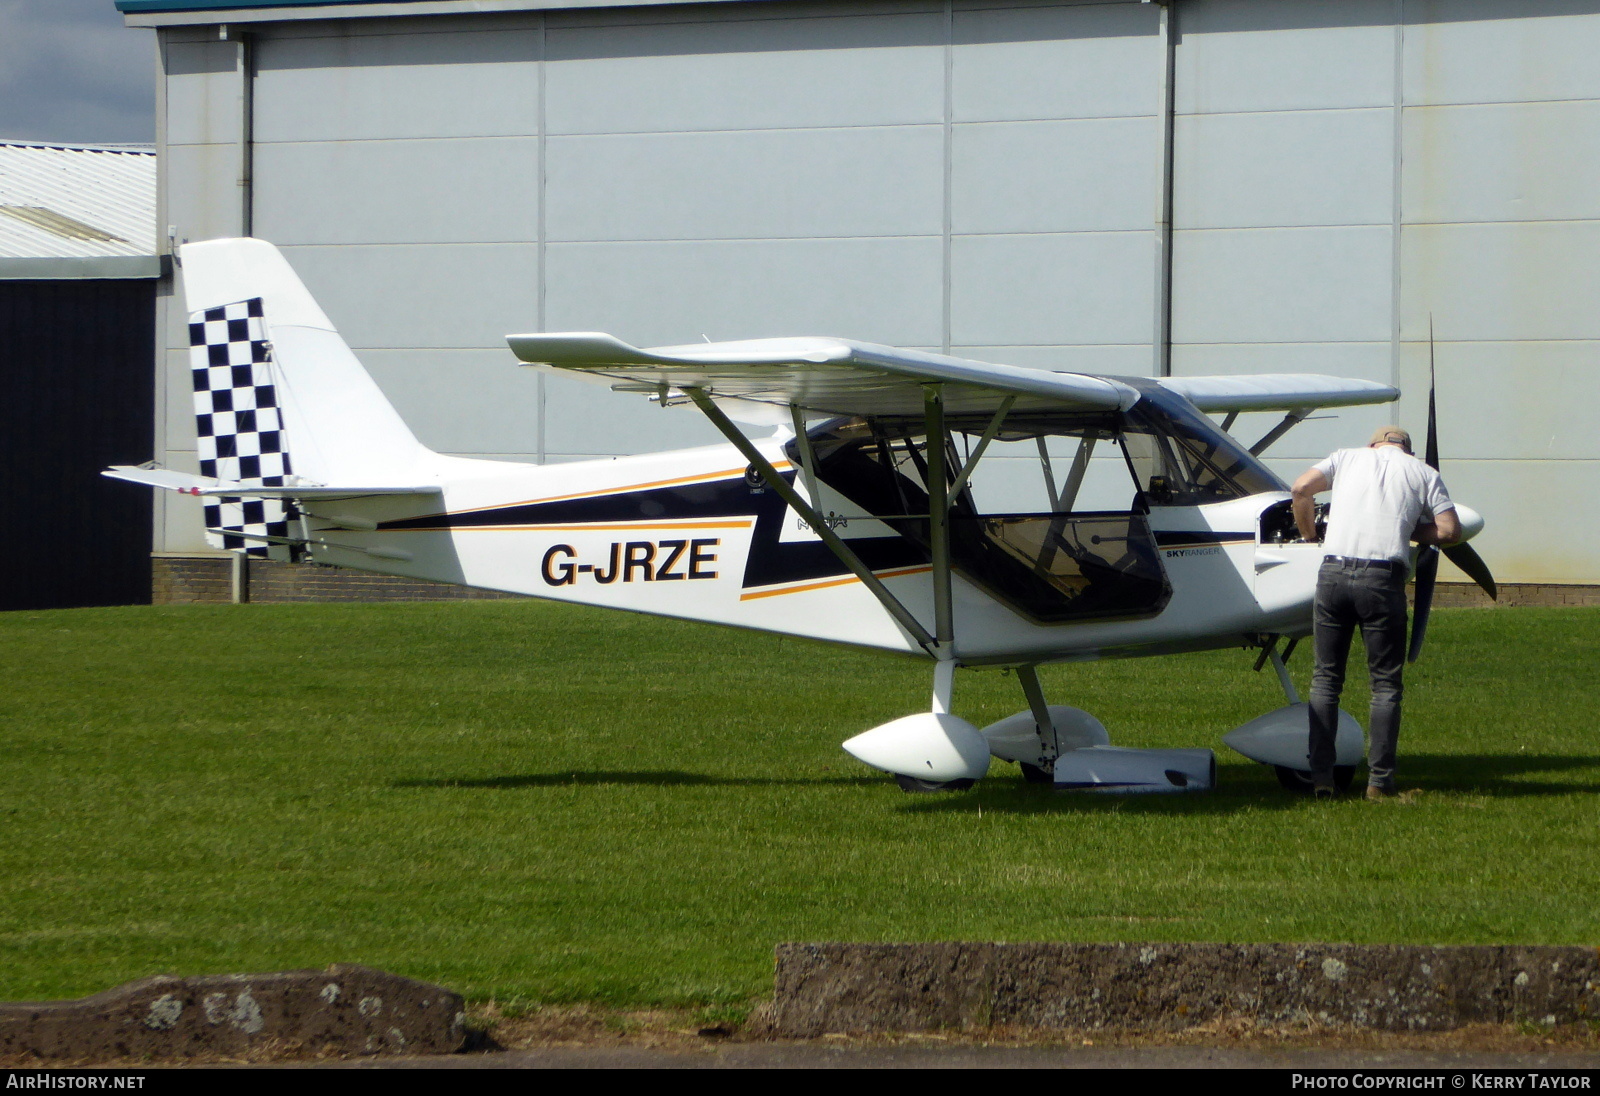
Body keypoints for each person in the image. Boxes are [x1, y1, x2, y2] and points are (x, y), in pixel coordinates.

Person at [1290, 426, 1461, 801]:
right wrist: (1413, 531)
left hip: (1332, 575)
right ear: (1408, 451)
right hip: (1382, 580)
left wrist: (1309, 538)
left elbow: (1301, 489)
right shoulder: (1424, 474)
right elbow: (1450, 530)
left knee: (1325, 680)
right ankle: (1379, 783)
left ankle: (1321, 779)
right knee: (1384, 685)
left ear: (1373, 445)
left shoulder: (1345, 457)